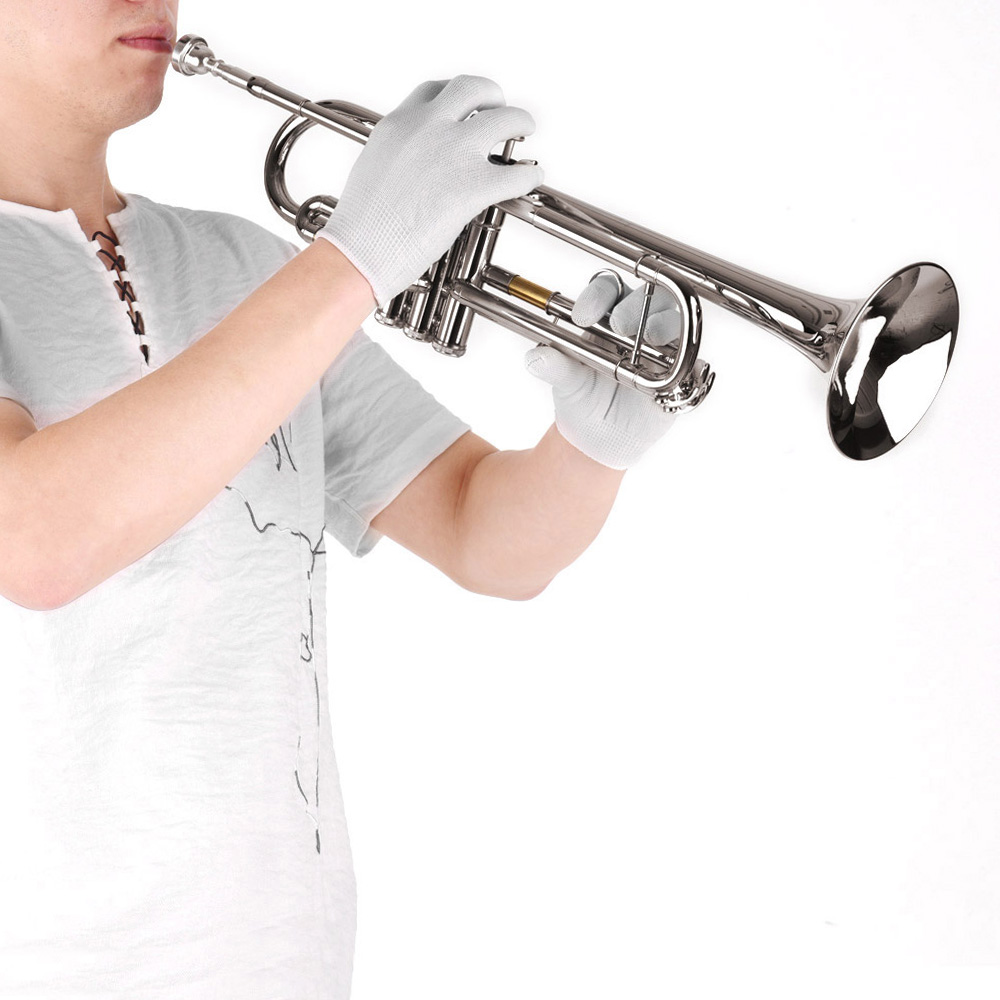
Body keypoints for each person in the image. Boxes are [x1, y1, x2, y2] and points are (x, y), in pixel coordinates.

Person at [0, 2, 682, 997]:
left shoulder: (246, 268)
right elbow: (34, 540)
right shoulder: (304, 288)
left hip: (285, 957)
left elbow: (482, 532)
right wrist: (356, 258)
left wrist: (593, 443)